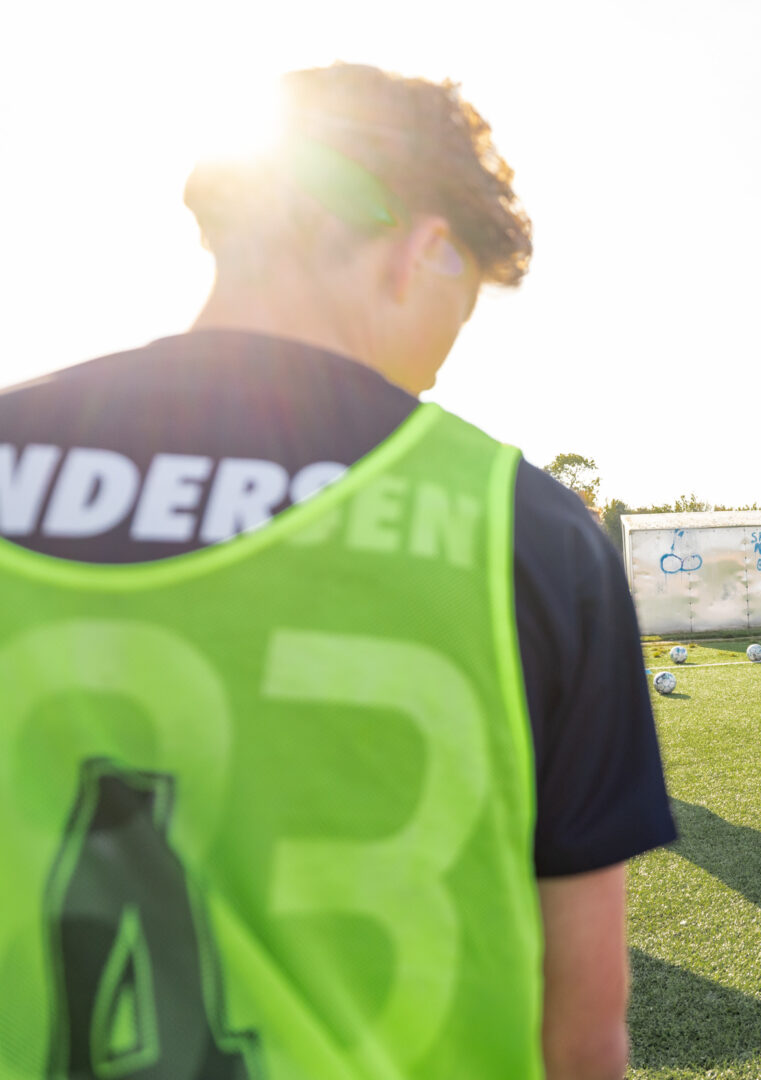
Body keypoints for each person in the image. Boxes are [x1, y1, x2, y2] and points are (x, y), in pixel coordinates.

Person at [0, 64, 673, 1079]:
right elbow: (580, 1034)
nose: (447, 353)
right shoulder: (522, 524)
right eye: (465, 301)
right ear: (422, 251)